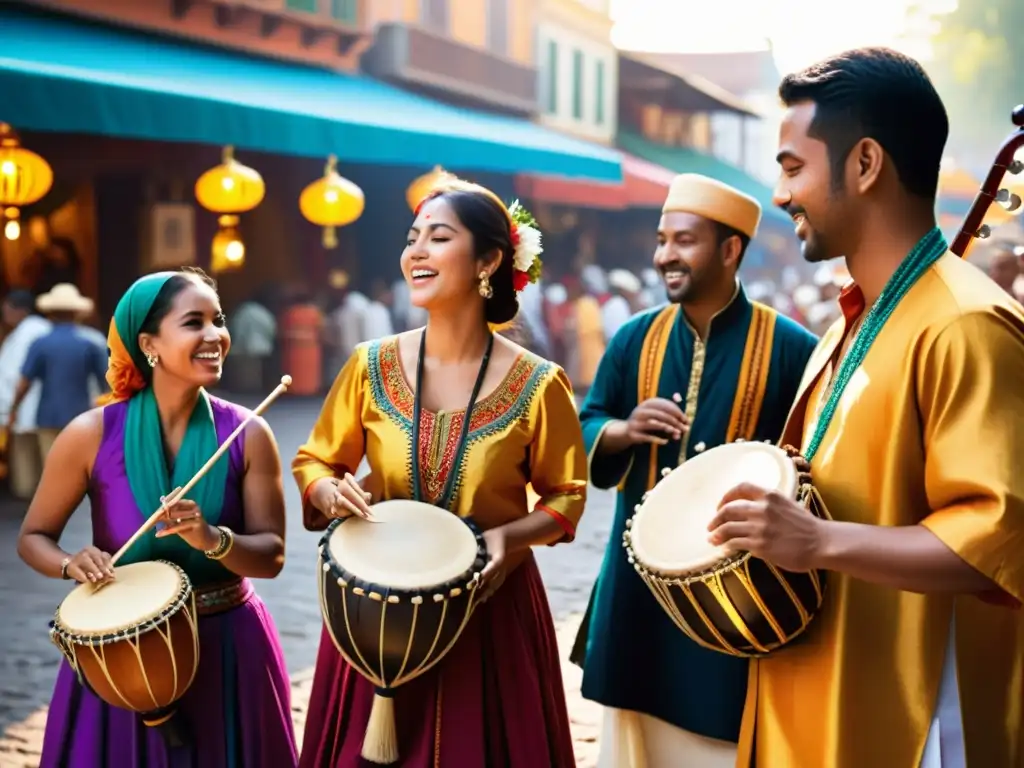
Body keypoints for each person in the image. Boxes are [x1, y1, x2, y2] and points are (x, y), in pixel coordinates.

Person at [708, 48, 1024, 768]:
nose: (781, 195)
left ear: (865, 164)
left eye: (792, 167)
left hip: (909, 722)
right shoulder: (849, 322)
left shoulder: (965, 324)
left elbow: (997, 544)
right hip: (815, 702)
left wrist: (817, 543)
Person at [293, 176, 587, 767]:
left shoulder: (538, 384)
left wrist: (510, 537)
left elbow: (567, 496)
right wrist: (329, 490)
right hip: (373, 610)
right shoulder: (368, 365)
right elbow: (315, 459)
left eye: (439, 237)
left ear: (489, 260)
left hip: (487, 610)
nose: (416, 252)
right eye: (412, 238)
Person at [573, 173, 818, 768]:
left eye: (684, 241)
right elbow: (586, 422)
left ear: (730, 250)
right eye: (662, 241)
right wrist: (622, 431)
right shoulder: (634, 338)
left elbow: (817, 458)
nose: (664, 256)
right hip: (635, 591)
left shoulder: (792, 347)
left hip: (734, 600)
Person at [17, 269, 298, 767]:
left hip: (229, 646)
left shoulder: (249, 433)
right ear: (148, 343)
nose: (215, 335)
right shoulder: (89, 434)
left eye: (218, 320)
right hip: (119, 653)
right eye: (194, 322)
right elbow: (34, 537)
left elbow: (272, 556)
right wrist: (70, 563)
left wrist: (213, 538)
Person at [6, 284, 109, 462]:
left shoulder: (41, 343)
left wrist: (14, 409)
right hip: (81, 415)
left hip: (47, 416)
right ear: (78, 313)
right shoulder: (90, 342)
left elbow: (25, 381)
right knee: (78, 466)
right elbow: (106, 382)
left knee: (52, 465)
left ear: (50, 313)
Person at [0, 289, 51, 498]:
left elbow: (15, 376)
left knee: (28, 464)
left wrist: (8, 408)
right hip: (37, 407)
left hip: (23, 406)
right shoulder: (42, 329)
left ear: (18, 310)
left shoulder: (25, 335)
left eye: (6, 310)